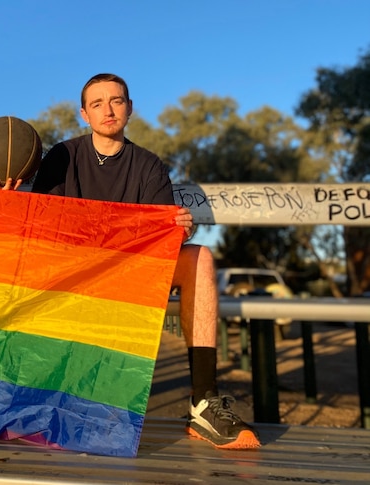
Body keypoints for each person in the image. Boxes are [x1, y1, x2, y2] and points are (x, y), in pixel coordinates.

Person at [31, 73, 260, 450]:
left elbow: (156, 238)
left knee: (200, 257)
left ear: (130, 108)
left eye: (117, 101)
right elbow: (45, 226)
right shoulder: (62, 157)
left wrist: (174, 230)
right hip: (72, 276)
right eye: (98, 103)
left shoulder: (150, 167)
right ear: (84, 114)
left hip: (132, 273)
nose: (109, 109)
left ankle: (203, 402)